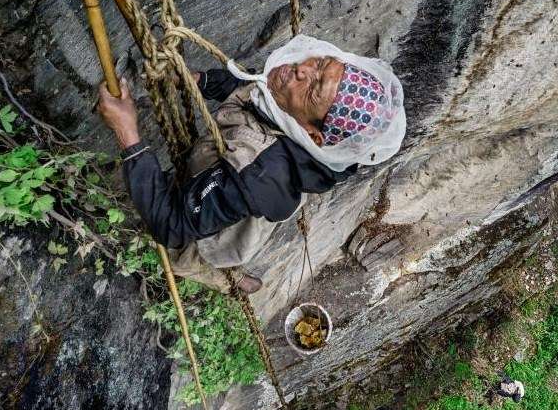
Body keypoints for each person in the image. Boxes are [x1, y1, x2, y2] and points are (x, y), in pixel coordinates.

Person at [98, 35, 406, 294]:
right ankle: (235, 273)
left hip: (232, 202)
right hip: (230, 190)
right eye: (322, 64)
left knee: (192, 255)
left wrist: (128, 133)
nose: (301, 69)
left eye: (314, 88)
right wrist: (198, 81)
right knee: (223, 224)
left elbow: (172, 226)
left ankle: (229, 281)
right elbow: (252, 89)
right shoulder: (287, 99)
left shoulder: (258, 174)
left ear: (312, 134)